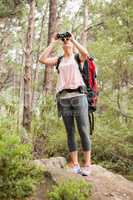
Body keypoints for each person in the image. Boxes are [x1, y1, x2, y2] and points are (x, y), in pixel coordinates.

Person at [39, 32, 92, 176]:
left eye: (67, 40)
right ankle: (75, 164)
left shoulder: (77, 57)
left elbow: (85, 53)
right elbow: (42, 59)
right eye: (65, 41)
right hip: (64, 99)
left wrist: (74, 39)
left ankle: (87, 164)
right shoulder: (59, 60)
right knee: (70, 131)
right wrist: (53, 42)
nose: (66, 42)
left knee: (83, 130)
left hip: (79, 96)